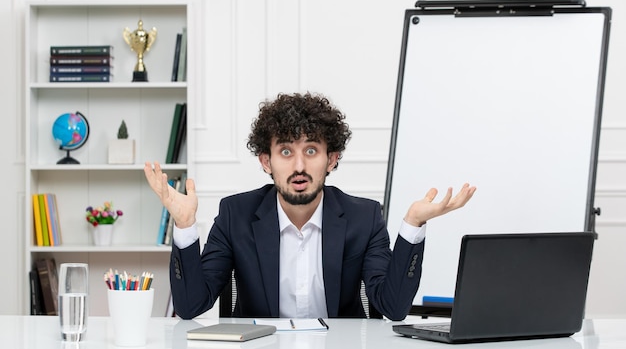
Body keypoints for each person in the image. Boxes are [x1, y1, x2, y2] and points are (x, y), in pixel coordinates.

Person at [144, 92, 476, 320]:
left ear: (331, 159)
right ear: (266, 160)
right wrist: (185, 226)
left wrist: (412, 226)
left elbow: (392, 307)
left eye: (312, 151)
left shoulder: (364, 217)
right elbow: (190, 307)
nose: (299, 166)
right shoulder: (236, 215)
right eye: (286, 152)